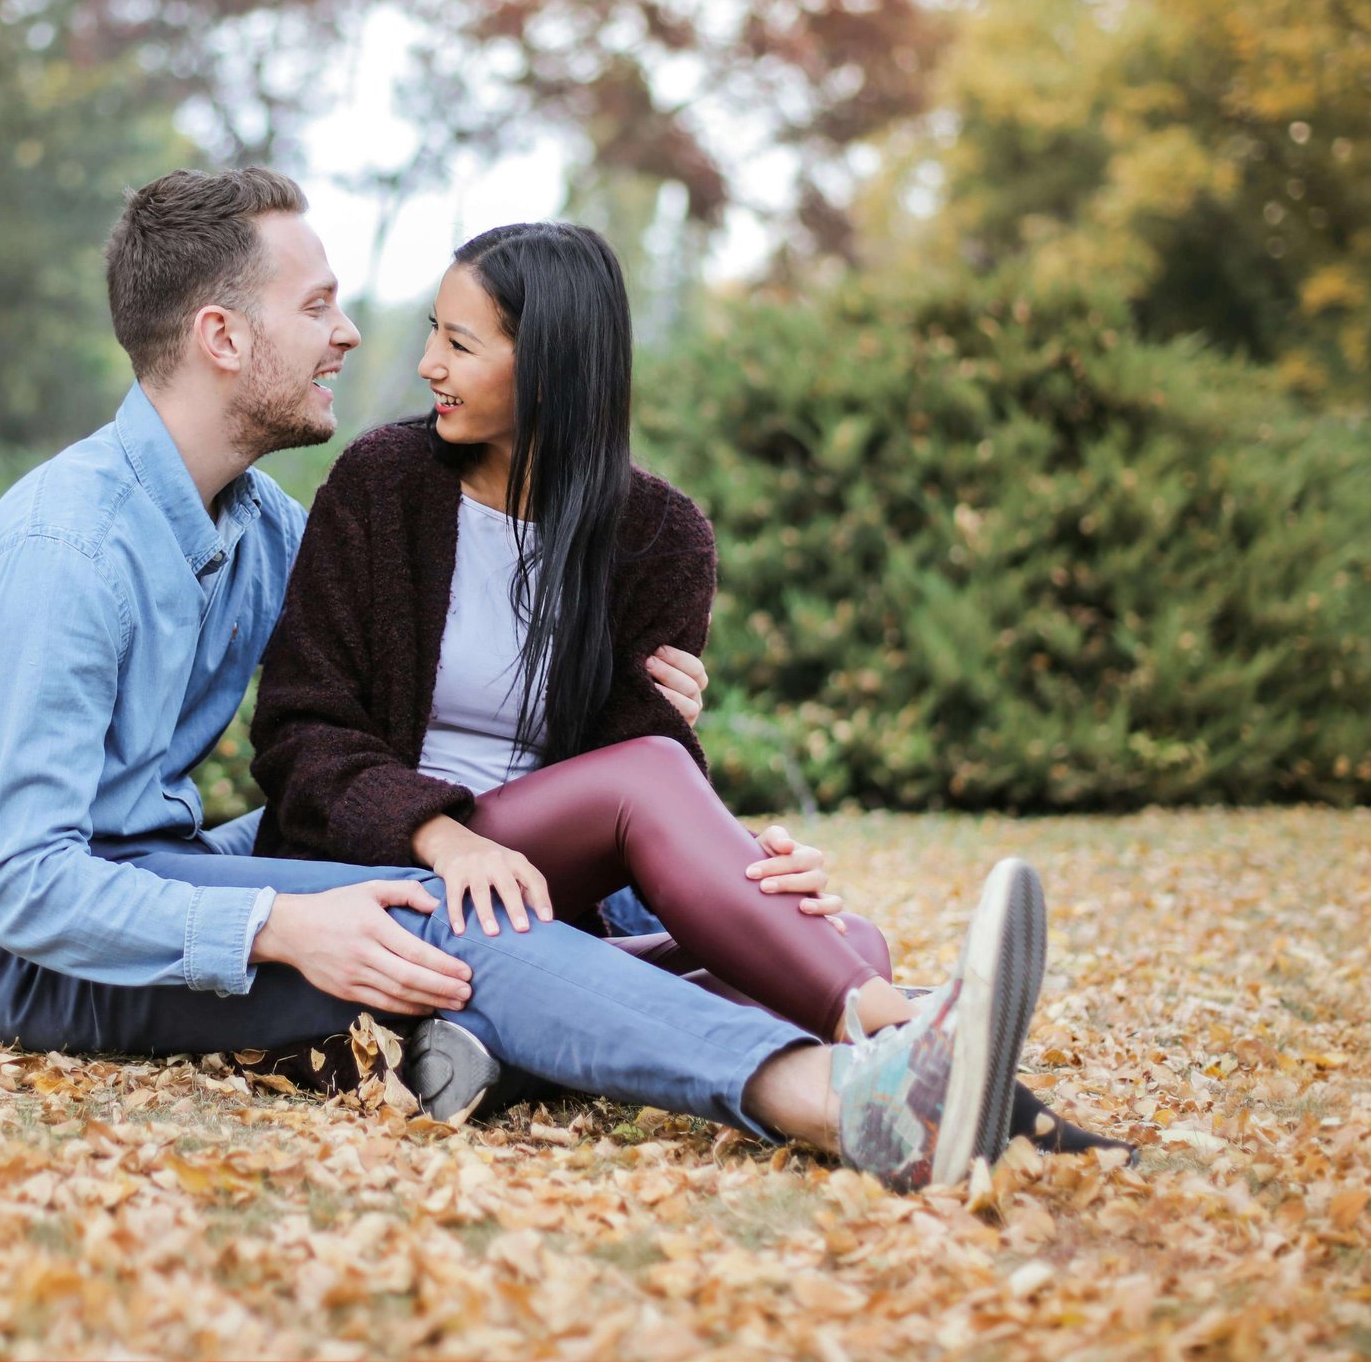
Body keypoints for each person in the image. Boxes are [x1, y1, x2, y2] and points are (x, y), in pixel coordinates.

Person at [0, 168, 1049, 1189]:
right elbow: (25, 883)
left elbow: (388, 674)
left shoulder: (259, 527)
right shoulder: (66, 551)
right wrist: (276, 925)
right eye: (315, 307)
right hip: (26, 949)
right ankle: (839, 1095)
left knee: (471, 906)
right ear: (220, 335)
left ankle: (859, 1026)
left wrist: (698, 813)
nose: (354, 336)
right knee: (441, 911)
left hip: (170, 867)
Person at [248, 221, 1127, 1157]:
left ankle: (492, 1046)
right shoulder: (384, 485)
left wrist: (741, 860)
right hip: (384, 863)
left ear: (551, 363)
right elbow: (301, 730)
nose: (429, 363)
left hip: (538, 896)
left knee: (845, 935)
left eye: (459, 344)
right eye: (435, 332)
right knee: (803, 941)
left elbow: (631, 766)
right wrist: (442, 833)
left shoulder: (659, 536)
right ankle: (903, 1036)